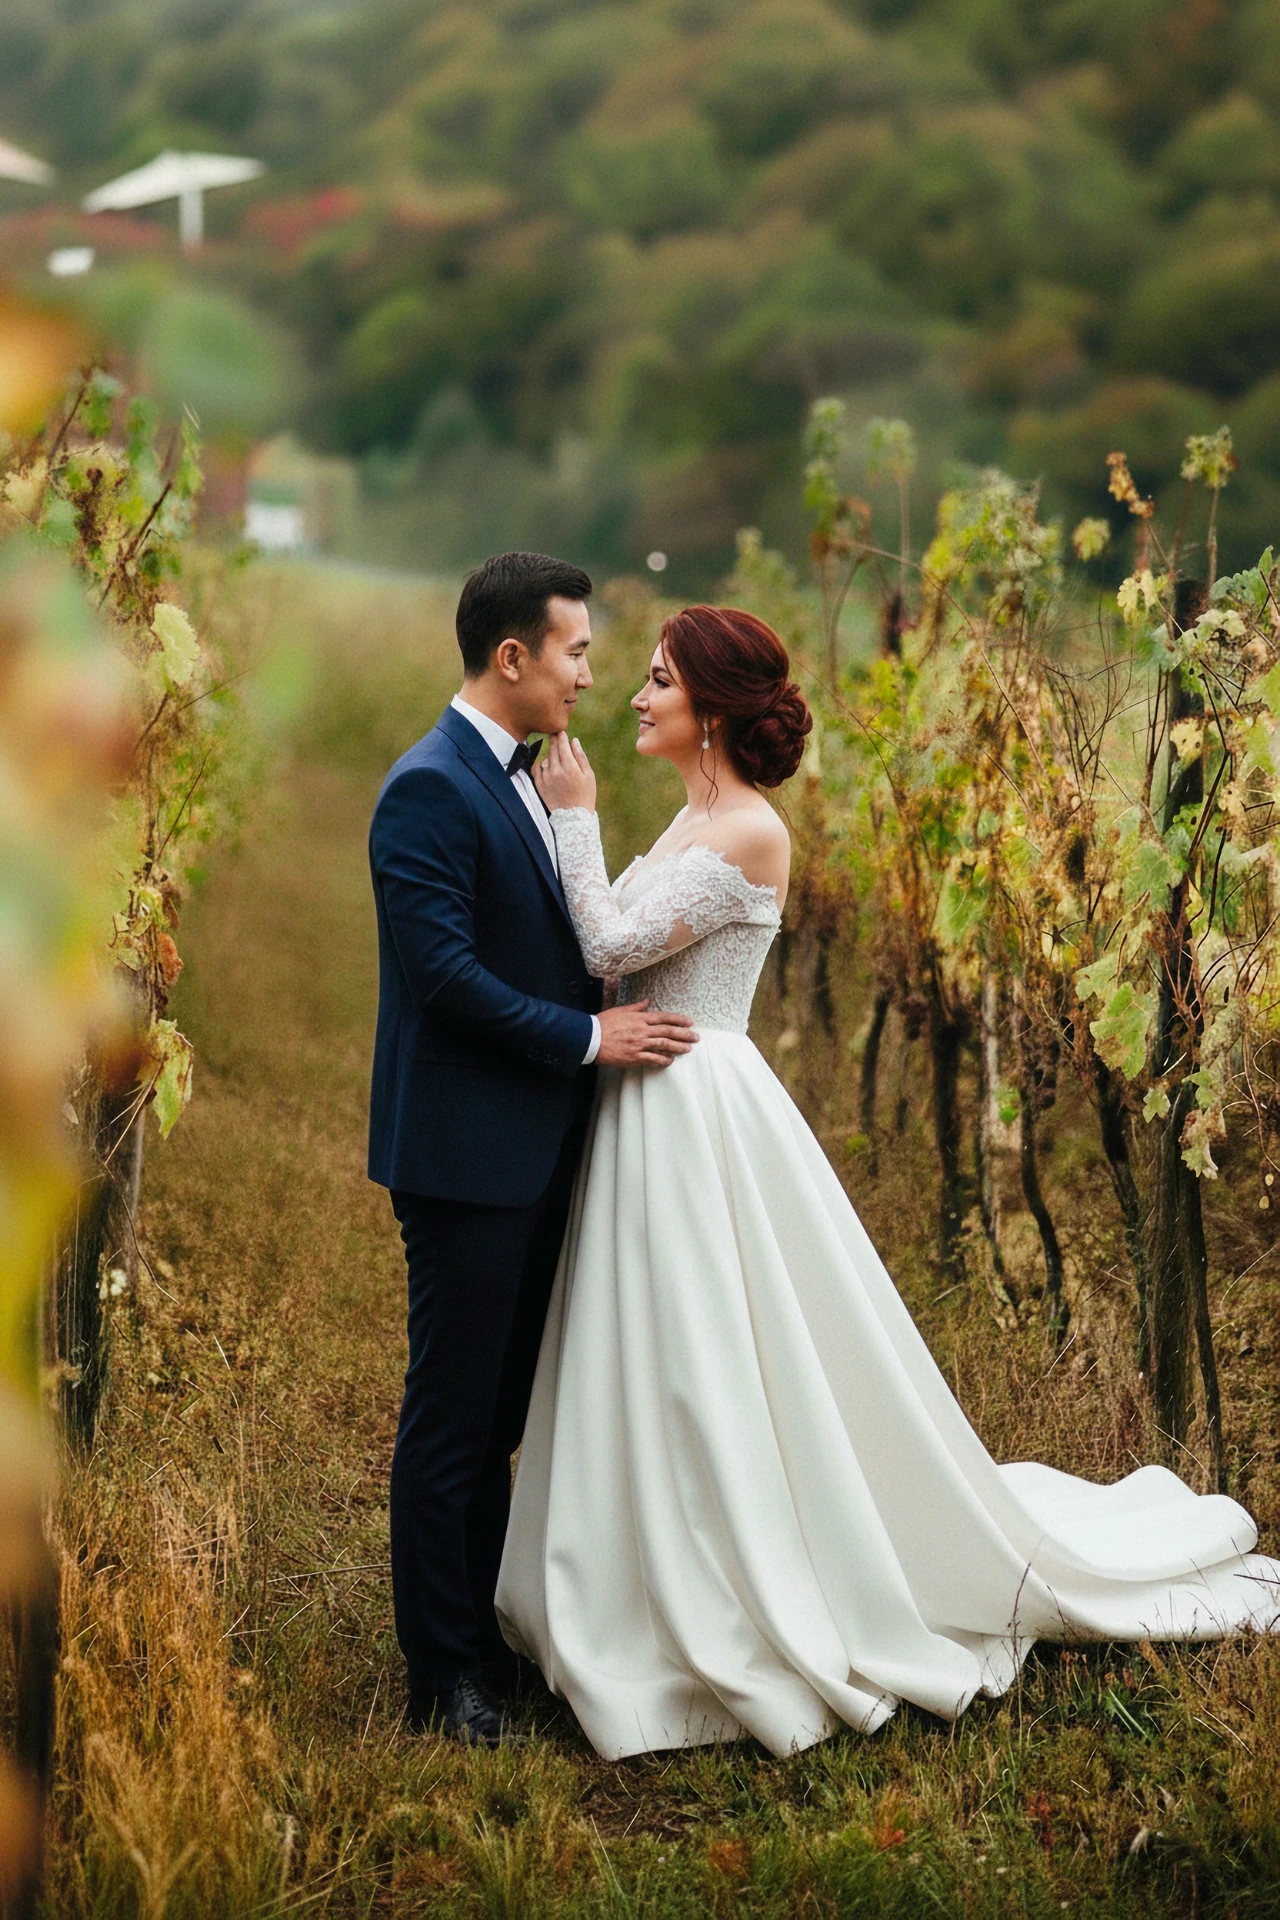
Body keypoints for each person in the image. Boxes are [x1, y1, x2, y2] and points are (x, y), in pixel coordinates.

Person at [494, 601, 1280, 1760]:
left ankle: (715, 1586)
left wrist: (572, 822)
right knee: (646, 1345)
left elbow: (609, 945)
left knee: (707, 1351)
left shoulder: (747, 833)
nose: (635, 697)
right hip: (651, 1097)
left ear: (707, 708)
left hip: (695, 1103)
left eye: (656, 680)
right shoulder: (695, 816)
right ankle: (626, 1574)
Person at [367, 551, 697, 1747]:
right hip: (463, 1152)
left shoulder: (528, 776)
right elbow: (443, 981)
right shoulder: (427, 787)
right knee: (452, 1414)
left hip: (537, 1141)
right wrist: (587, 1035)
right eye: (575, 652)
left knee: (503, 1407)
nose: (588, 676)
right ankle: (440, 1672)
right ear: (511, 656)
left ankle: (483, 1636)